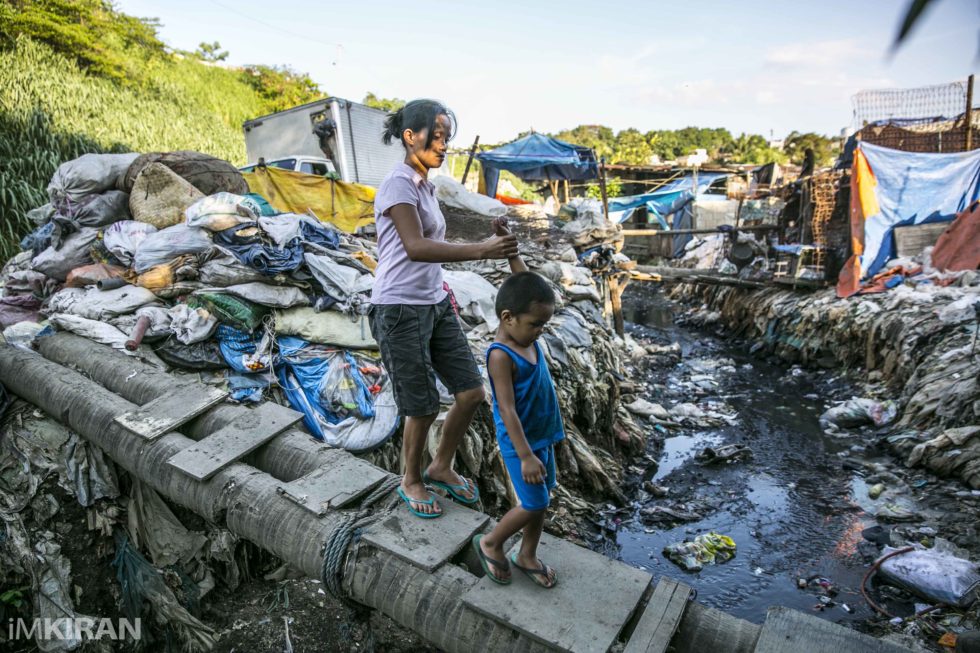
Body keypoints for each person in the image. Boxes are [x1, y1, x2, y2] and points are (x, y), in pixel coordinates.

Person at [370, 99, 518, 518]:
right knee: (421, 405)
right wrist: (482, 249)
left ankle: (440, 465)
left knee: (471, 393)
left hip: (434, 304)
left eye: (446, 138)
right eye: (436, 136)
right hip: (399, 308)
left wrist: (490, 241)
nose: (443, 145)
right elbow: (416, 248)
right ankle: (411, 479)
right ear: (410, 137)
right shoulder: (397, 184)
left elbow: (428, 248)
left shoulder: (425, 186)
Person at [472, 229, 562, 588]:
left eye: (544, 323)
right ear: (508, 318)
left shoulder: (522, 327)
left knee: (542, 498)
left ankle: (526, 554)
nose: (540, 331)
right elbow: (507, 411)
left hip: (542, 435)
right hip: (520, 442)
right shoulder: (500, 354)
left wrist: (512, 253)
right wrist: (525, 456)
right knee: (533, 503)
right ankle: (492, 542)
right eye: (536, 324)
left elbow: (521, 281)